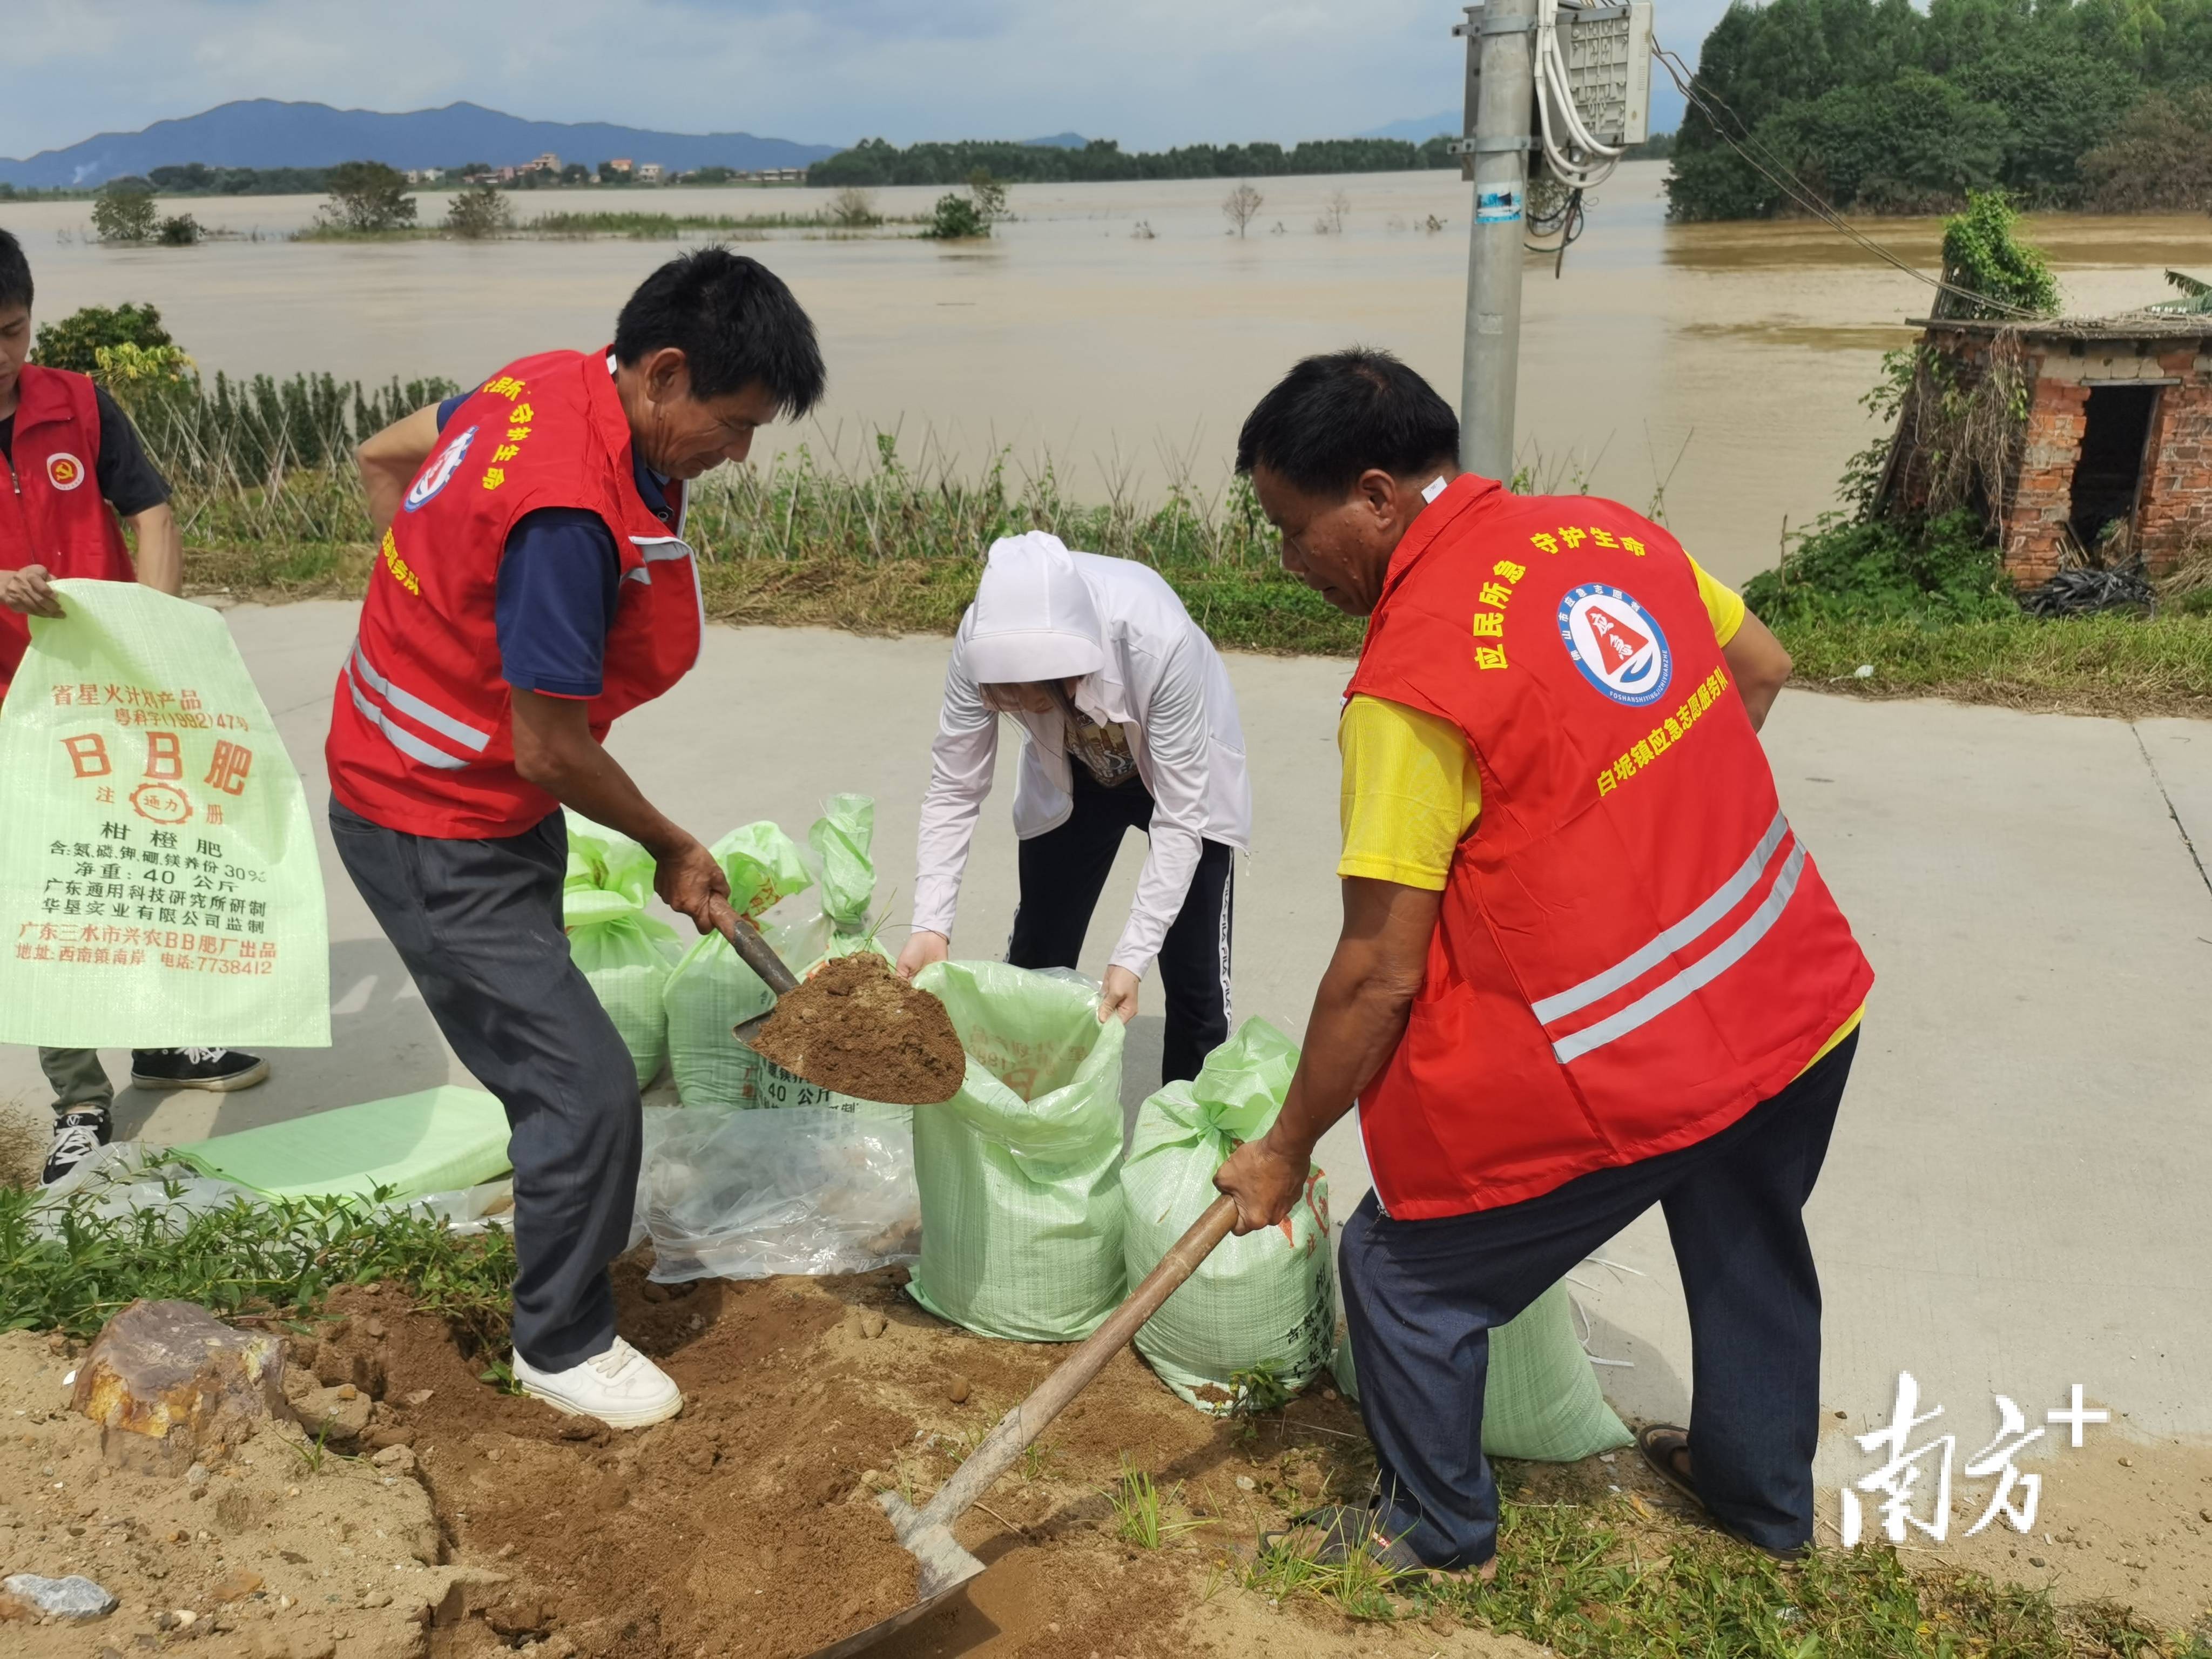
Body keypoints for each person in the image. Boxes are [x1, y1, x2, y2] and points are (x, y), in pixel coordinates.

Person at [1212, 349, 1873, 1576]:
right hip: (1797, 989)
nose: (1286, 560)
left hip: (1649, 1057)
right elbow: (1761, 667)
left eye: (1290, 529)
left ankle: (1435, 1527)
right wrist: (1647, 831)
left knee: (1400, 1271)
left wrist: (1286, 1145)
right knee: (1746, 1228)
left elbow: (1378, 971)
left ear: (1372, 494)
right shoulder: (1604, 529)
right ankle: (1760, 1500)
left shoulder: (1409, 680)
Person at [327, 248, 824, 1429]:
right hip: (431, 819)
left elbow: (383, 457)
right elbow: (551, 748)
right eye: (733, 422)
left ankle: (552, 1214)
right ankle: (558, 1341)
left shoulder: (545, 381)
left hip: (478, 793)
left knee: (551, 1059)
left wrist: (434, 599)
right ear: (661, 373)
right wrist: (668, 841)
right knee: (590, 1088)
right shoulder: (565, 517)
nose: (739, 454)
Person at [0, 226, 268, 1187]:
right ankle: (79, 1098)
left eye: (12, 331)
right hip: (8, 705)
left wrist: (154, 635)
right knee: (38, 899)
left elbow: (149, 513)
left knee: (133, 864)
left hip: (106, 692)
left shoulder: (77, 404)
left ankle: (162, 1039)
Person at [896, 531, 1250, 1086]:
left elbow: (1183, 815)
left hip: (1176, 771)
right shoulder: (979, 642)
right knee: (1036, 957)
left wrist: (1131, 956)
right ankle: (1022, 1117)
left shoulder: (1158, 640)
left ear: (1073, 672)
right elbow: (955, 787)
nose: (1014, 707)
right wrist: (930, 925)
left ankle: (1195, 1150)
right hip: (1073, 775)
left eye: (1029, 699)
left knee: (1196, 982)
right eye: (1003, 697)